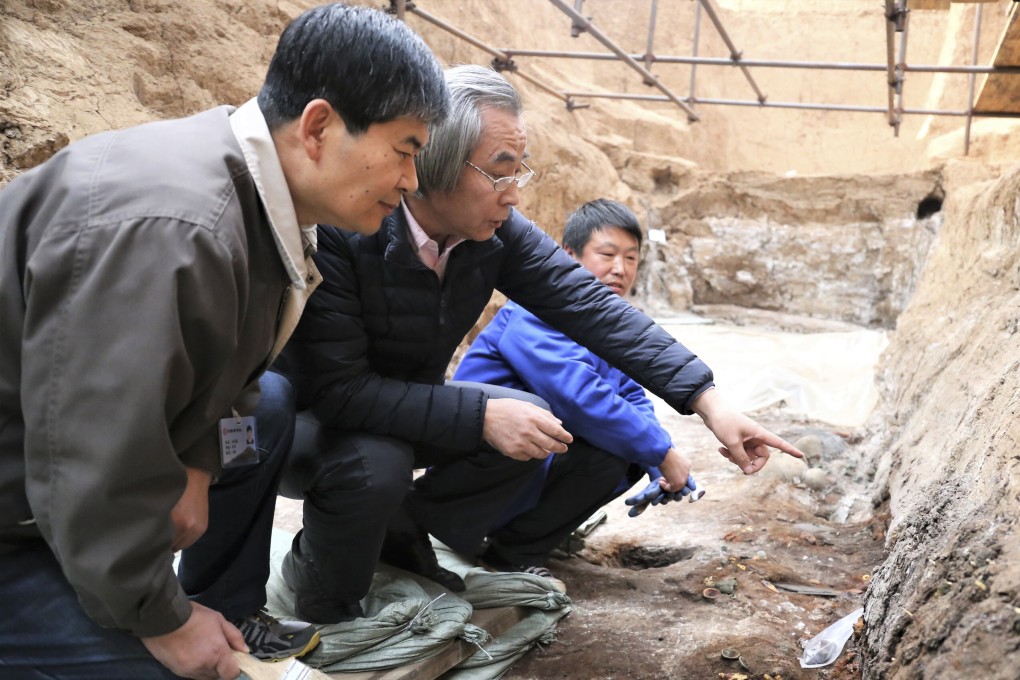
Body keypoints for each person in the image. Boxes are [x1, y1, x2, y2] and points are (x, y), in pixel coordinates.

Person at [0, 4, 449, 680]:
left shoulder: (265, 206)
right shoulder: (178, 229)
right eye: (406, 150)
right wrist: (164, 618)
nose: (412, 181)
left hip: (50, 482)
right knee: (177, 670)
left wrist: (202, 466)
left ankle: (220, 604)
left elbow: (243, 372)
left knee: (268, 403)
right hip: (25, 509)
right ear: (319, 127)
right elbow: (88, 458)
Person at [274, 64, 802, 626]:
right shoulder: (345, 226)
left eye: (519, 170)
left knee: (531, 418)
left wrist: (709, 402)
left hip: (401, 411)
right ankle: (319, 585)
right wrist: (479, 414)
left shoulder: (493, 233)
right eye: (500, 172)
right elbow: (336, 390)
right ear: (435, 162)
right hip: (314, 421)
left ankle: (406, 535)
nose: (514, 192)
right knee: (379, 461)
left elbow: (596, 310)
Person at [416, 198, 704, 575]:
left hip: (526, 474)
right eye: (607, 254)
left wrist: (656, 462)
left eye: (631, 258)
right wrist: (663, 451)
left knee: (620, 454)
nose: (620, 269)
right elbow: (579, 396)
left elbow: (632, 395)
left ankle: (514, 553)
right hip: (475, 475)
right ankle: (437, 528)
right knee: (546, 424)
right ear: (568, 256)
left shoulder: (610, 325)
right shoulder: (532, 313)